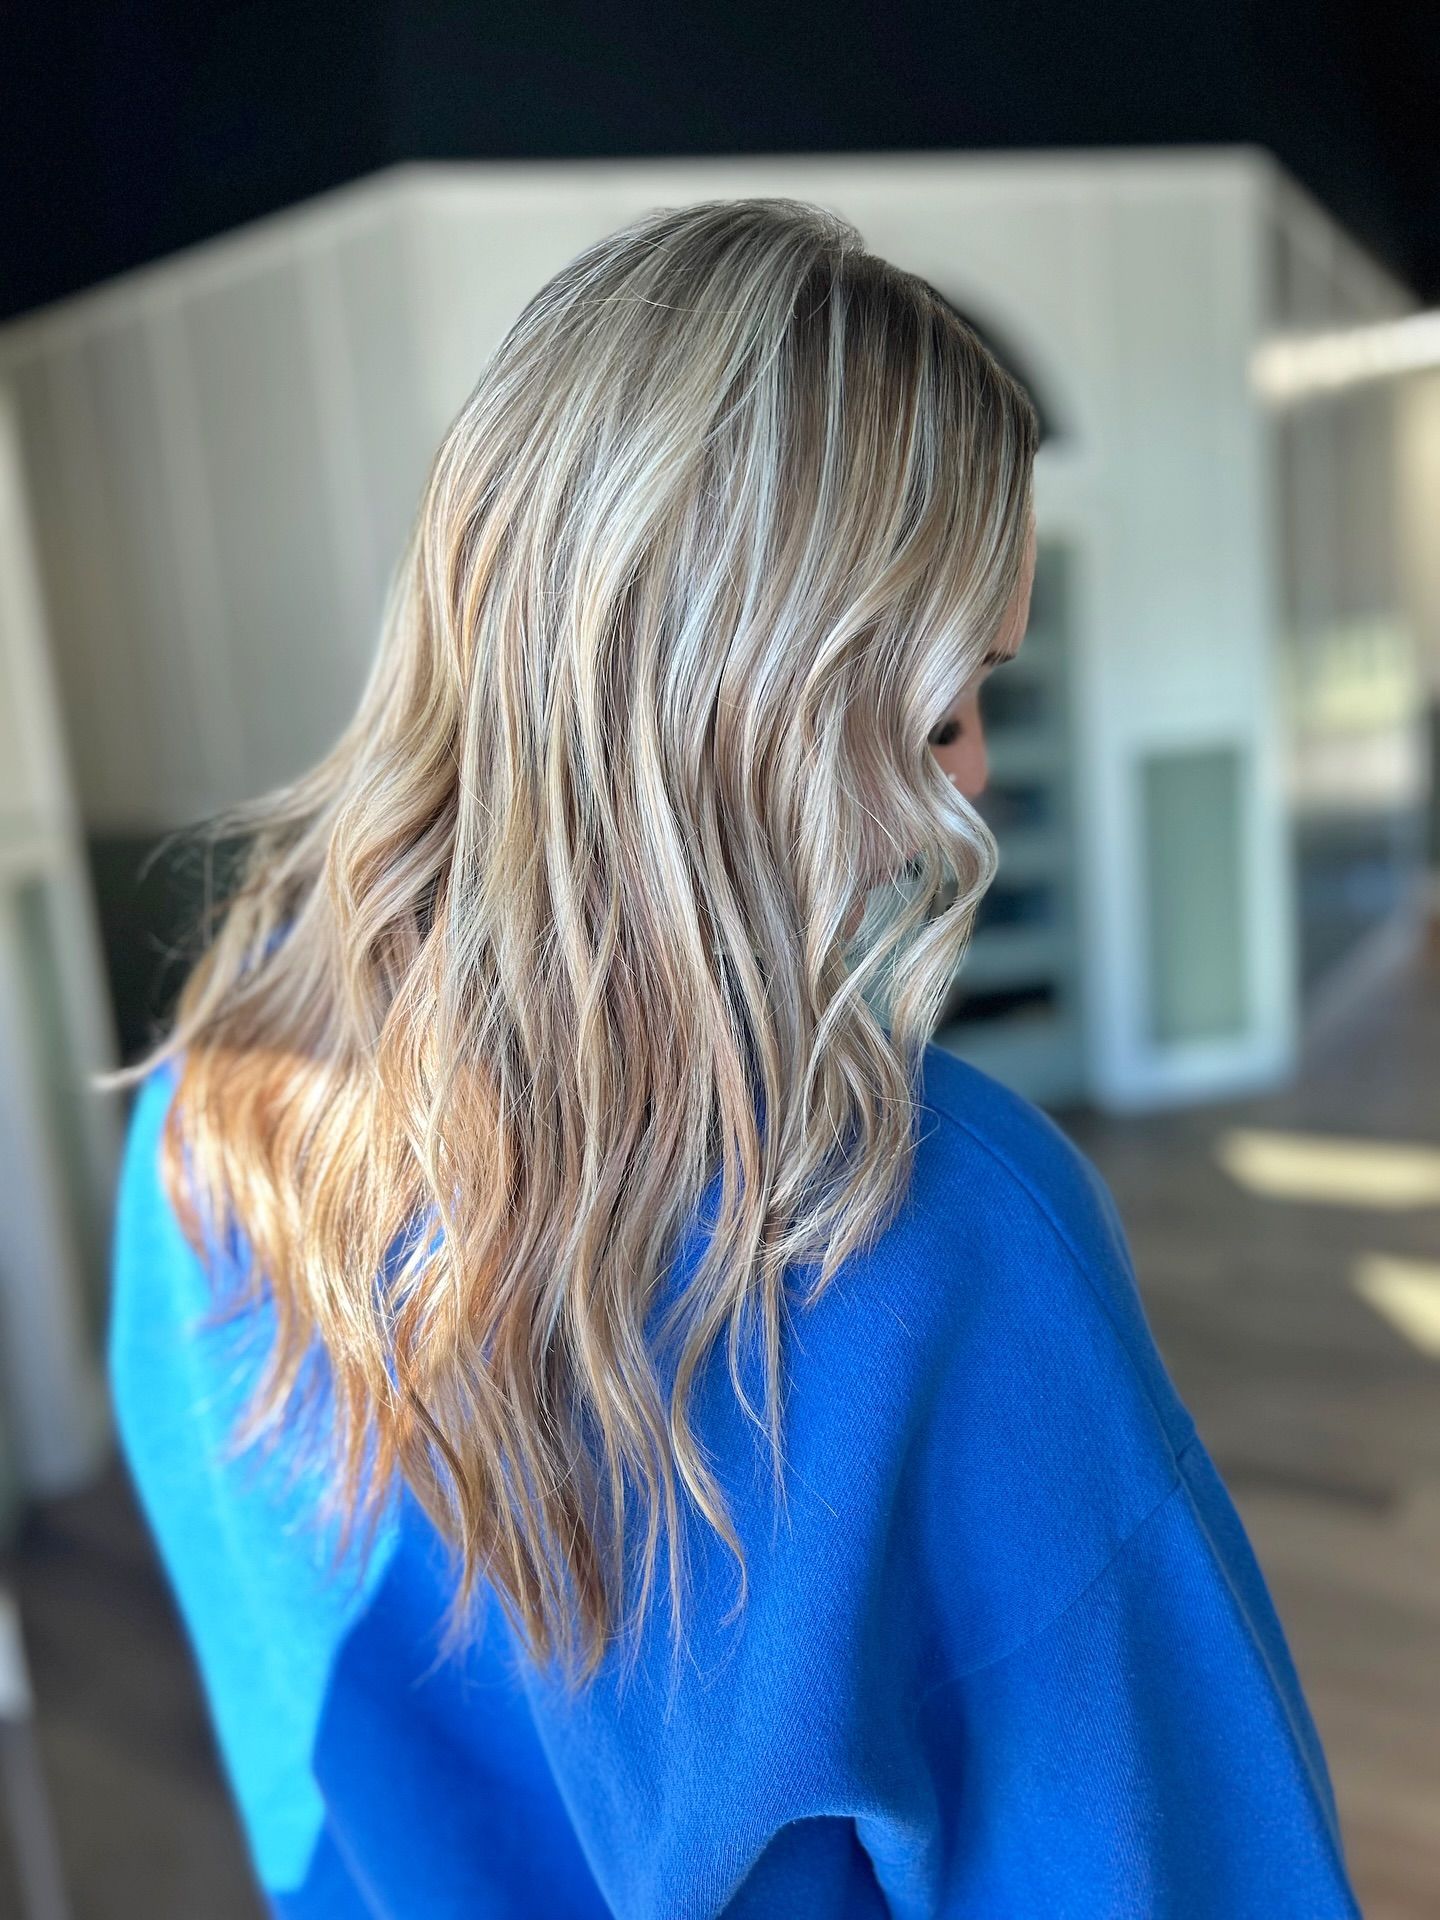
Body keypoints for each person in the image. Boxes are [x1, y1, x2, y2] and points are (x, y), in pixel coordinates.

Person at [108, 197, 1361, 1918]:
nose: (973, 778)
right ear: (747, 700)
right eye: (939, 709)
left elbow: (296, 1760)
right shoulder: (930, 1230)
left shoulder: (197, 1132)